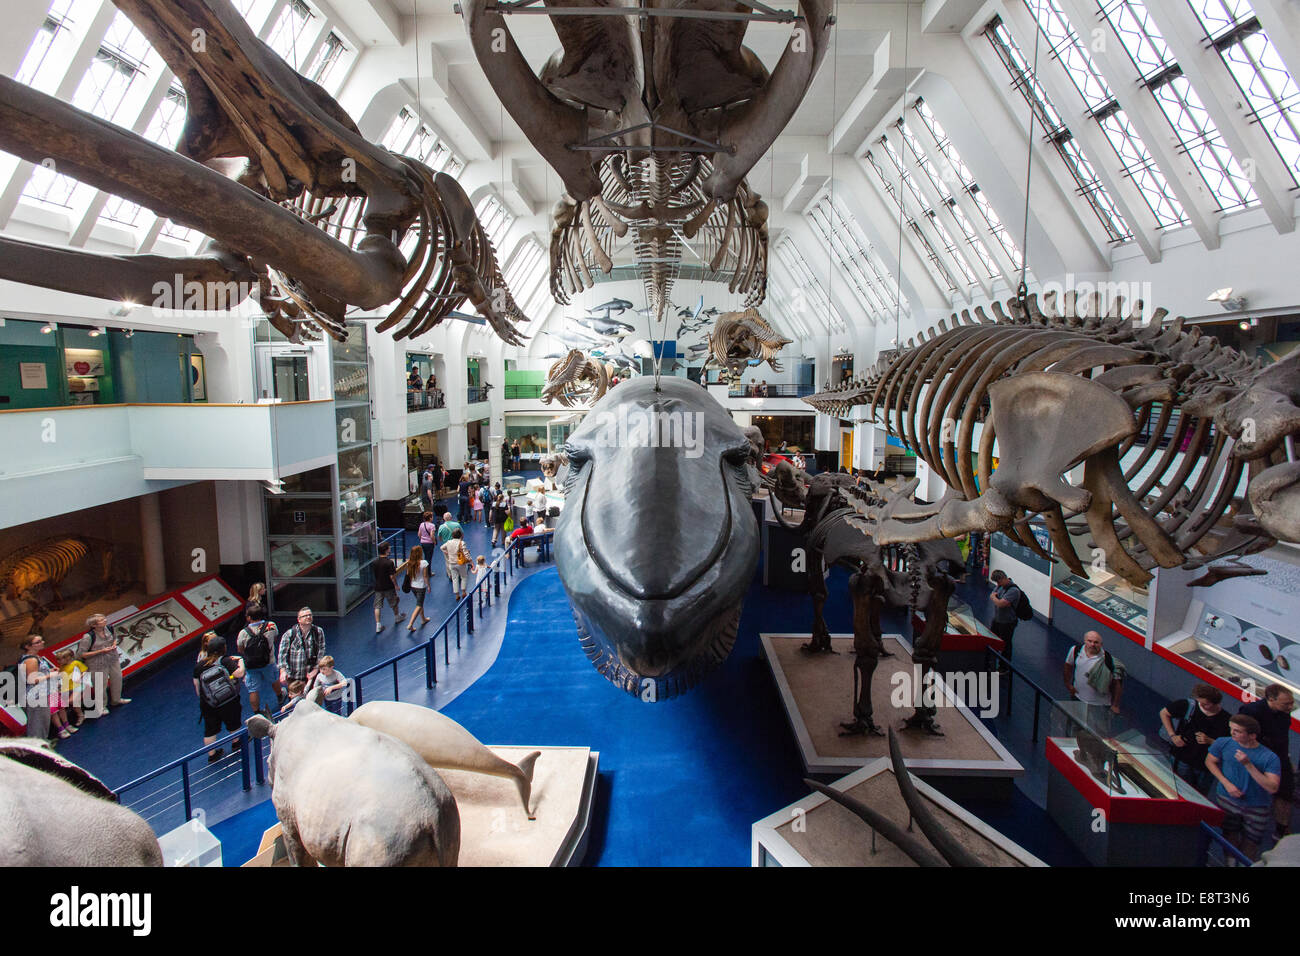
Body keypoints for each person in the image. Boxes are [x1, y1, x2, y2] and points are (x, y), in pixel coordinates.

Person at [1206, 714, 1282, 861]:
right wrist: (1226, 783)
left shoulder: (1269, 757)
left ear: (1252, 735)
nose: (1232, 733)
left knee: (1251, 842)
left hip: (1257, 806)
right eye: (1231, 729)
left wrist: (1248, 765)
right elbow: (1210, 761)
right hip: (1227, 799)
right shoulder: (1223, 743)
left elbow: (1272, 787)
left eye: (1237, 731)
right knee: (1229, 834)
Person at [1241, 684, 1296, 838]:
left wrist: (1287, 759)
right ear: (1271, 699)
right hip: (1257, 759)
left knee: (1286, 793)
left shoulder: (1284, 713)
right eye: (1286, 703)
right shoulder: (1252, 712)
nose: (1291, 707)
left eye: (1292, 703)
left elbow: (1283, 737)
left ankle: (1281, 828)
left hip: (1279, 757)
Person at [1160, 683, 1230, 791]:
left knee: (1199, 792)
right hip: (1181, 757)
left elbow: (1228, 745)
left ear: (1215, 703)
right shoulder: (1188, 706)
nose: (1201, 706)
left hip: (1204, 766)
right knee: (1176, 788)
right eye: (1200, 702)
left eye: (1206, 704)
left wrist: (1210, 741)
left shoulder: (1227, 720)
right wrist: (1173, 735)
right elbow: (1164, 713)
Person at [193, 635, 244, 763]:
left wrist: (204, 699)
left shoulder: (199, 666)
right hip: (228, 699)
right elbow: (239, 674)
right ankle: (236, 743)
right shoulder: (225, 661)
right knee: (233, 722)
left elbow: (196, 684)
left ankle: (212, 754)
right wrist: (241, 662)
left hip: (209, 703)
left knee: (210, 729)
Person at [1063, 631, 1124, 732]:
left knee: (1098, 733)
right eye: (1089, 641)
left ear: (1101, 644)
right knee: (1074, 728)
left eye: (1096, 642)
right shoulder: (1075, 651)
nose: (1092, 644)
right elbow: (1068, 665)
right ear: (1084, 641)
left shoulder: (1108, 660)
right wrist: (1068, 684)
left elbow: (1117, 683)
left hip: (1100, 705)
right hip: (1078, 699)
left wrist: (1115, 705)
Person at [77, 613, 131, 715]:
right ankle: (101, 707)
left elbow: (115, 638)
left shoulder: (110, 628)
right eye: (101, 620)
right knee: (100, 684)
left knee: (117, 678)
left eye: (104, 618)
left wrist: (114, 644)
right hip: (96, 663)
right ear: (94, 625)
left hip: (112, 658)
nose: (105, 620)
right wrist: (100, 651)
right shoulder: (88, 637)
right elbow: (82, 654)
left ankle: (116, 699)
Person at [237, 602, 280, 717]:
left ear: (249, 617)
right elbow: (275, 637)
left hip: (251, 666)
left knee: (253, 689)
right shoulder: (271, 625)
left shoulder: (243, 633)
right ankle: (280, 696)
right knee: (274, 679)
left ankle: (256, 712)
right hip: (269, 662)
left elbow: (240, 649)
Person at [18, 636, 62, 740]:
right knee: (37, 727)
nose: (42, 642)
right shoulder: (31, 660)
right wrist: (50, 675)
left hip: (39, 695)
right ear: (28, 646)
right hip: (35, 697)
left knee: (42, 724)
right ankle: (37, 751)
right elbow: (32, 679)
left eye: (41, 640)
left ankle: (41, 747)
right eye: (37, 642)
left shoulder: (35, 657)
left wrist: (49, 671)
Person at [278, 607, 325, 695]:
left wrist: (316, 669)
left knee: (312, 699)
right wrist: (283, 672)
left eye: (310, 615)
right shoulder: (290, 634)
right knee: (295, 701)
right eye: (305, 616)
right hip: (294, 676)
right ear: (299, 619)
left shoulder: (318, 632)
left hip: (310, 674)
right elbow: (282, 654)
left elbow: (321, 651)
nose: (308, 617)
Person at [988, 570, 1023, 668]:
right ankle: (990, 662)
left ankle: (1004, 667)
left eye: (998, 582)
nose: (997, 584)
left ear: (1003, 578)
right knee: (992, 641)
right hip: (997, 620)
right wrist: (996, 598)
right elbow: (995, 596)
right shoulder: (1000, 586)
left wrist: (994, 598)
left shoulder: (1013, 590)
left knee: (1006, 645)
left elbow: (1001, 604)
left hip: (1007, 622)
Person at [53, 646, 87, 730]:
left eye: (60, 659)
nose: (58, 661)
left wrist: (80, 677)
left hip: (78, 686)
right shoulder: (62, 667)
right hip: (67, 688)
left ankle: (81, 715)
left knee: (72, 701)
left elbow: (85, 671)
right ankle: (78, 716)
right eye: (58, 660)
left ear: (67, 658)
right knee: (69, 703)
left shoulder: (75, 663)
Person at [372, 541, 401, 633]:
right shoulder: (389, 563)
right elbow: (392, 576)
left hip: (378, 587)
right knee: (394, 602)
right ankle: (397, 617)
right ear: (386, 550)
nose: (390, 549)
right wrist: (396, 585)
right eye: (389, 548)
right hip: (388, 587)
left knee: (377, 606)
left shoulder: (375, 562)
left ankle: (378, 625)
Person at [403, 544, 431, 630]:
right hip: (421, 586)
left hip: (412, 586)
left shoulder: (409, 563)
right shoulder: (424, 563)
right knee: (419, 605)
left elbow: (408, 575)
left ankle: (423, 619)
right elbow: (425, 576)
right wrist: (428, 586)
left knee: (420, 602)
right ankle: (410, 624)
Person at [441, 529, 471, 599]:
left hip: (452, 563)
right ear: (460, 535)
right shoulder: (461, 542)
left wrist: (446, 552)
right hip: (460, 563)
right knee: (463, 577)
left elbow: (442, 547)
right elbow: (465, 553)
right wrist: (470, 560)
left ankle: (457, 594)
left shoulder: (448, 542)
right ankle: (463, 591)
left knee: (454, 578)